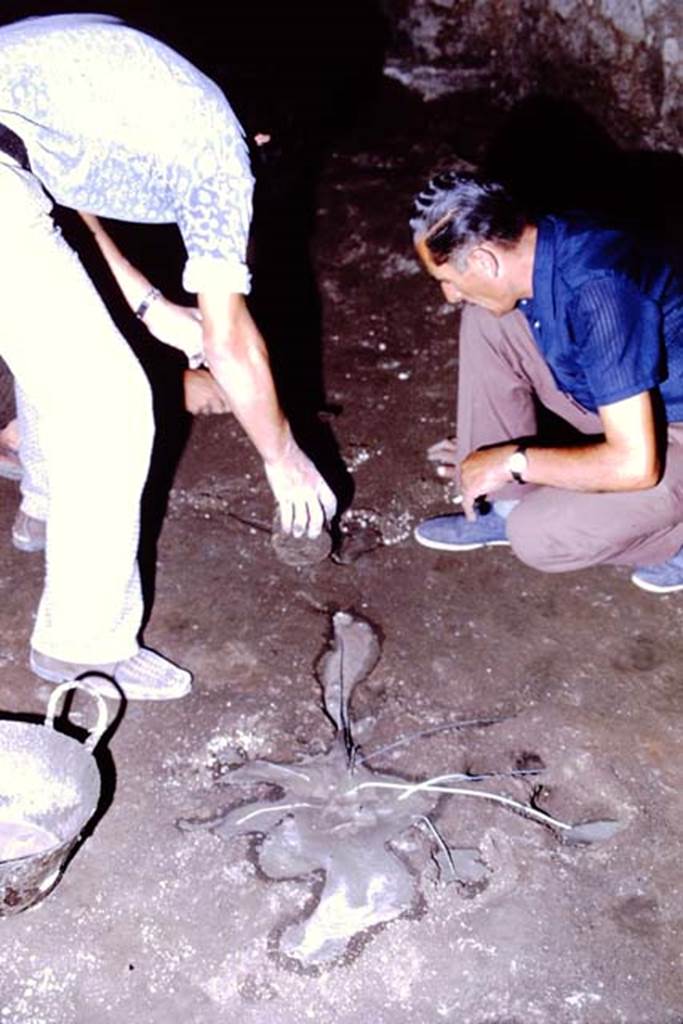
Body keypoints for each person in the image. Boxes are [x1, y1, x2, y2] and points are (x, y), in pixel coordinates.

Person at [0, 14, 336, 700]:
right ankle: (82, 646)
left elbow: (62, 214)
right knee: (111, 404)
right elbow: (231, 338)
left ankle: (44, 505)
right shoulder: (216, 146)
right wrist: (283, 458)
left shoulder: (135, 79)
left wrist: (152, 306)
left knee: (62, 350)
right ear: (261, 137)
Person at [411, 171, 683, 593]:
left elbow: (636, 464)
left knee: (537, 537)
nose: (450, 294)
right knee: (487, 319)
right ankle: (501, 506)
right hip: (635, 401)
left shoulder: (599, 290)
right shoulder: (544, 241)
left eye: (447, 280)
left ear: (484, 261)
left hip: (668, 437)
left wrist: (514, 460)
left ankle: (674, 538)